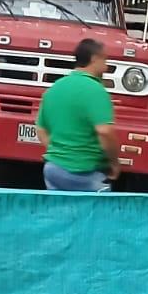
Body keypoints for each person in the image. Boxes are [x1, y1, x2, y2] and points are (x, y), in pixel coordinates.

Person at [36, 38, 118, 191]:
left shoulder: (55, 88)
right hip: (87, 172)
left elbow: (41, 129)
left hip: (53, 169)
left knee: (59, 207)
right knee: (94, 207)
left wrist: (61, 154)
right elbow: (105, 132)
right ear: (94, 59)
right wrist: (114, 163)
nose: (106, 67)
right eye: (105, 60)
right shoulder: (96, 90)